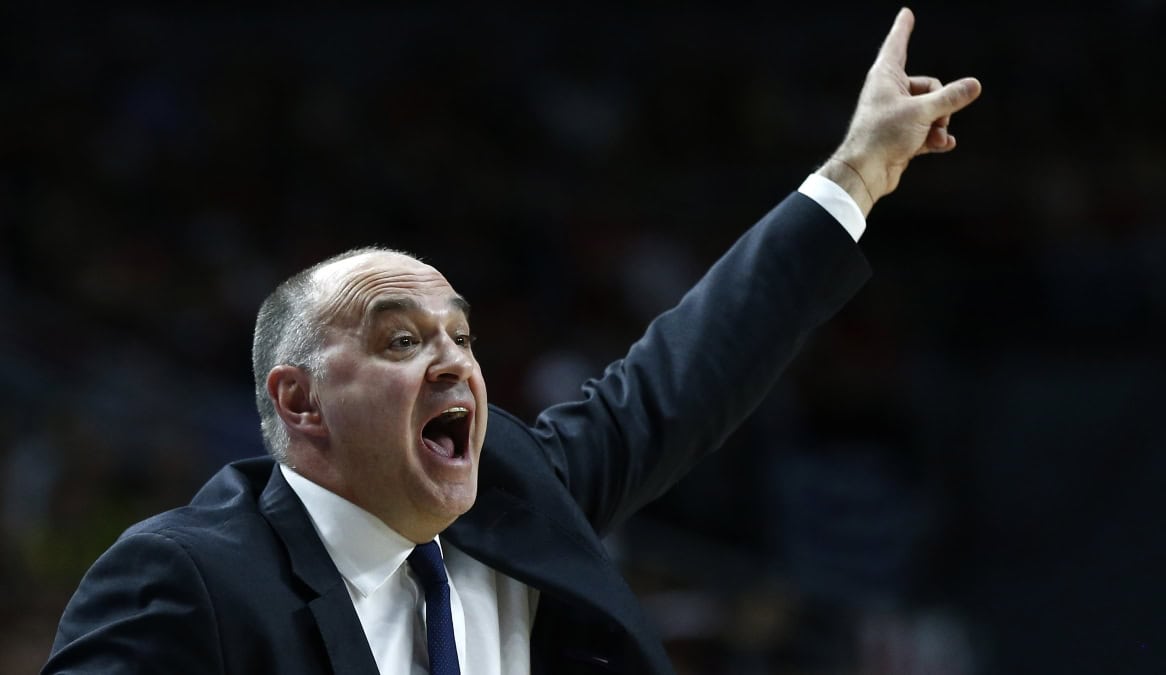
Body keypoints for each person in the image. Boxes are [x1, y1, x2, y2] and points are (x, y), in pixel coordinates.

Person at [43, 8, 981, 674]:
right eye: (401, 339)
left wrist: (859, 172)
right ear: (300, 400)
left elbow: (687, 375)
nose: (453, 360)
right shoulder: (189, 577)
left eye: (460, 334)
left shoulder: (516, 493)